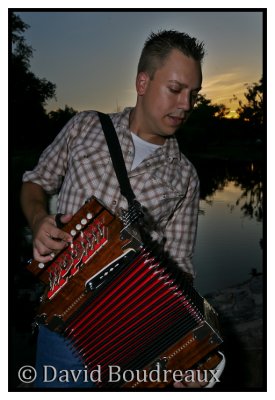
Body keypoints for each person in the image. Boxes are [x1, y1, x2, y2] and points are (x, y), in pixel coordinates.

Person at [21, 29, 224, 388]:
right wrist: (38, 219)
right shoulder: (84, 126)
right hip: (61, 326)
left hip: (131, 338)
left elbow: (180, 272)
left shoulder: (186, 176)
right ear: (142, 82)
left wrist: (189, 351)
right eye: (175, 89)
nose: (186, 105)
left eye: (193, 94)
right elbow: (35, 182)